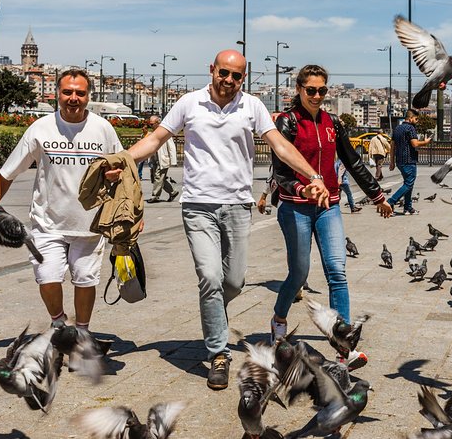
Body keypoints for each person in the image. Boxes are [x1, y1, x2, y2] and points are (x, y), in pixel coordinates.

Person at [111, 50, 329, 391]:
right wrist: (120, 160)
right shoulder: (189, 103)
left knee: (235, 282)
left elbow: (281, 147)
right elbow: (155, 140)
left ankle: (212, 312)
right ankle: (218, 353)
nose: (228, 80)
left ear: (243, 78)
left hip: (238, 205)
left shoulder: (252, 106)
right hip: (197, 205)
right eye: (223, 73)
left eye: (236, 76)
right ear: (212, 70)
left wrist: (313, 174)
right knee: (210, 278)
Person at [270, 65, 391, 370]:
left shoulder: (333, 124)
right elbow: (280, 173)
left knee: (337, 271)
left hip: (330, 206)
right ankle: (279, 319)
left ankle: (344, 349)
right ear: (299, 90)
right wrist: (303, 187)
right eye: (311, 90)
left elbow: (353, 162)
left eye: (322, 90)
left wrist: (377, 196)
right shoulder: (287, 123)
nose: (317, 96)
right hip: (295, 205)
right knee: (298, 274)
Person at [0, 69, 123, 335]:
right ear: (56, 94)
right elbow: (7, 172)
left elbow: (123, 168)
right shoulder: (41, 128)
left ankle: (82, 332)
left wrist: (117, 182)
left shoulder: (103, 129)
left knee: (85, 280)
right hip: (47, 223)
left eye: (80, 93)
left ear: (88, 96)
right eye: (67, 92)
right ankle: (58, 321)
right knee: (46, 276)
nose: (73, 98)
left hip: (90, 224)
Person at [387, 109, 432, 215]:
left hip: (400, 161)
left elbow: (392, 146)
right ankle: (390, 202)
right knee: (408, 184)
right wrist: (425, 142)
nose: (417, 121)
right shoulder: (410, 128)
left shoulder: (397, 128)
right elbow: (415, 144)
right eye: (416, 119)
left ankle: (408, 208)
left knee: (408, 184)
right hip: (409, 160)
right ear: (410, 118)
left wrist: (392, 161)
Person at [146, 115, 179, 203]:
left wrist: (173, 160)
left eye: (152, 124)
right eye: (150, 124)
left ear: (158, 123)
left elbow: (171, 147)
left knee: (158, 177)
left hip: (163, 159)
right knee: (160, 179)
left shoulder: (164, 132)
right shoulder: (152, 133)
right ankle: (172, 192)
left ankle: (155, 196)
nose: (151, 126)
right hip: (154, 159)